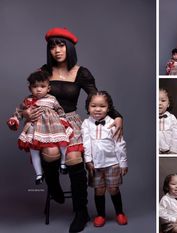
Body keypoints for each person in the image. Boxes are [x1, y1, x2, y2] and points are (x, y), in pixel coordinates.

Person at [23, 27, 123, 233]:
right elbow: (33, 96)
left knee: (74, 158)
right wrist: (25, 113)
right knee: (50, 153)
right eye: (52, 47)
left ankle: (81, 212)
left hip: (71, 120)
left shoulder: (81, 72)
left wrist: (118, 116)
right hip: (46, 122)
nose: (57, 50)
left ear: (69, 47)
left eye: (61, 45)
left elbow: (98, 99)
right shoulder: (44, 71)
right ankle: (54, 185)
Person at [7, 70, 72, 185]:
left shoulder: (52, 99)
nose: (38, 89)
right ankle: (39, 174)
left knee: (62, 141)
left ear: (48, 88)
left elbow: (60, 110)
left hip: (53, 127)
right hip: (35, 129)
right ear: (30, 88)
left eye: (42, 86)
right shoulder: (28, 101)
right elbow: (19, 112)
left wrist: (62, 120)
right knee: (34, 150)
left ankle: (62, 163)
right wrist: (15, 119)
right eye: (35, 87)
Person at [81, 91, 128, 227]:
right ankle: (101, 215)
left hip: (112, 163)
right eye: (93, 106)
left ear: (108, 108)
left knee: (113, 189)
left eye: (102, 106)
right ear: (88, 107)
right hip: (95, 164)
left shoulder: (113, 122)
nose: (97, 109)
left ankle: (120, 213)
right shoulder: (86, 123)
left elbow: (120, 144)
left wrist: (123, 163)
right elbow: (86, 143)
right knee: (99, 190)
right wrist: (88, 160)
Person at [159, 88, 177, 154]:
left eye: (163, 100)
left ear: (168, 104)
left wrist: (174, 149)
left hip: (169, 150)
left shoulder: (171, 118)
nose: (159, 103)